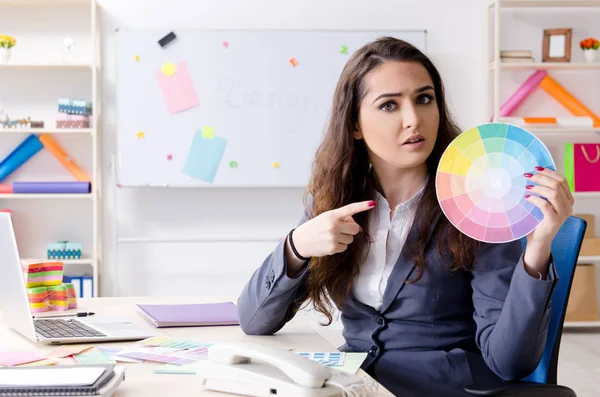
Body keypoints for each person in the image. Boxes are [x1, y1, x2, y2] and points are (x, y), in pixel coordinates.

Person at [236, 37, 574, 396]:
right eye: (389, 106)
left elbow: (509, 363)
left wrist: (536, 252)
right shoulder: (336, 200)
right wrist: (298, 244)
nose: (413, 119)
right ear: (354, 125)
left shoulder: (480, 203)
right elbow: (255, 320)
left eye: (423, 99)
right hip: (356, 385)